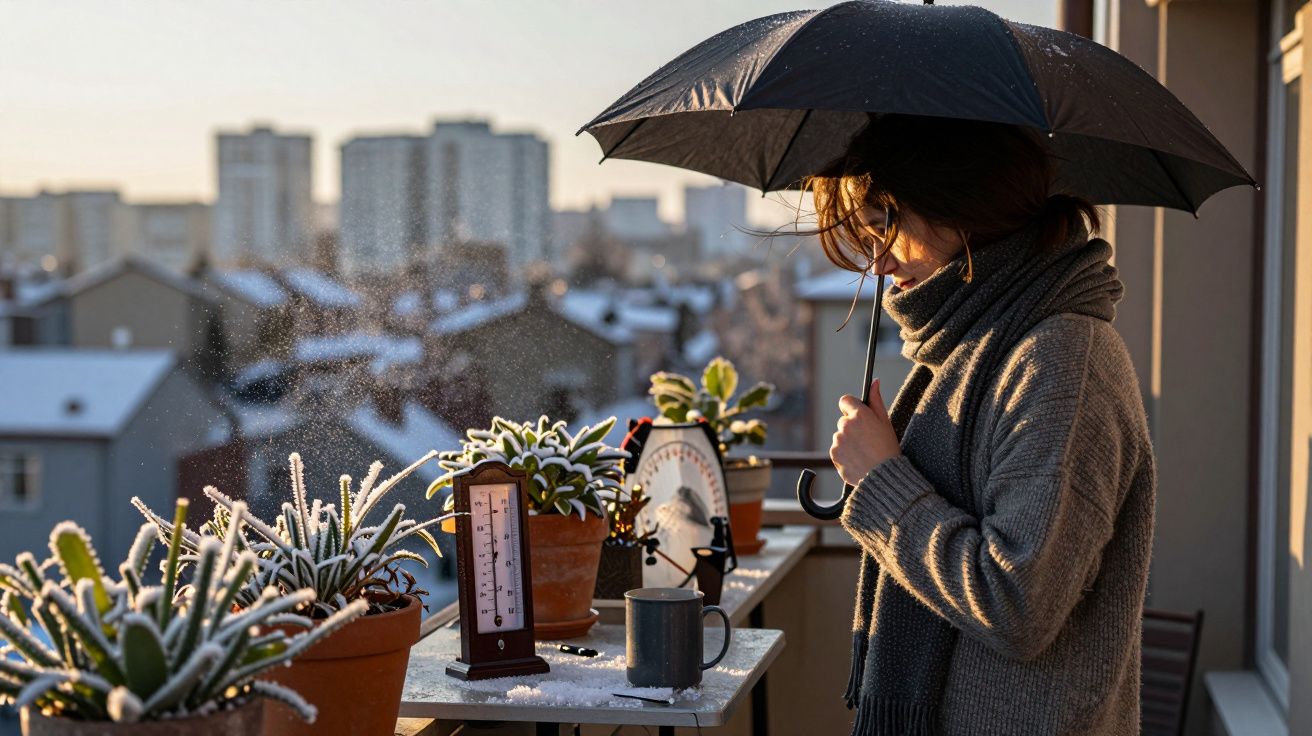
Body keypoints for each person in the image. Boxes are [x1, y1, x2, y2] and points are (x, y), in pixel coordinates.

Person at [813, 114, 1154, 736]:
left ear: (959, 206)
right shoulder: (973, 351)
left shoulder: (1057, 361)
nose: (879, 261)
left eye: (886, 225)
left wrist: (884, 479)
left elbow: (1018, 603)